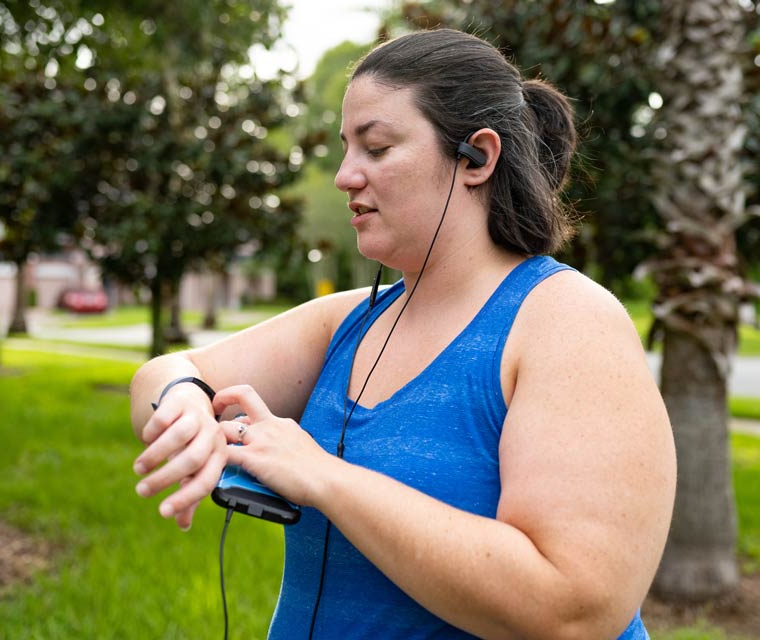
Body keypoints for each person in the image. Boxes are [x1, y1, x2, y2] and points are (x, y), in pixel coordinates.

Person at [129, 28, 676, 639]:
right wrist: (185, 399)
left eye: (377, 148)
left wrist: (326, 478)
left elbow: (575, 612)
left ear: (478, 158)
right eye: (346, 149)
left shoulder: (570, 323)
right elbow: (168, 371)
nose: (344, 176)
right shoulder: (348, 321)